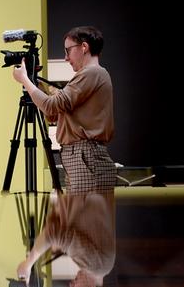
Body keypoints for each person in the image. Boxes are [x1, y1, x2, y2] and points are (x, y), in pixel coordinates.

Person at [12, 26, 116, 193]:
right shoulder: (92, 75)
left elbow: (51, 106)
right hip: (82, 157)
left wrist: (25, 80)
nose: (66, 57)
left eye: (68, 50)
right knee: (81, 216)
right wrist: (35, 83)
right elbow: (53, 113)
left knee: (85, 217)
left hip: (85, 157)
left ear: (84, 47)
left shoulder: (92, 73)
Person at [16, 190, 116, 287]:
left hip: (86, 180)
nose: (70, 285)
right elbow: (54, 234)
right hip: (87, 177)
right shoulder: (95, 266)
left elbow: (64, 228)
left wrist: (57, 206)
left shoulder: (102, 266)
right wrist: (28, 263)